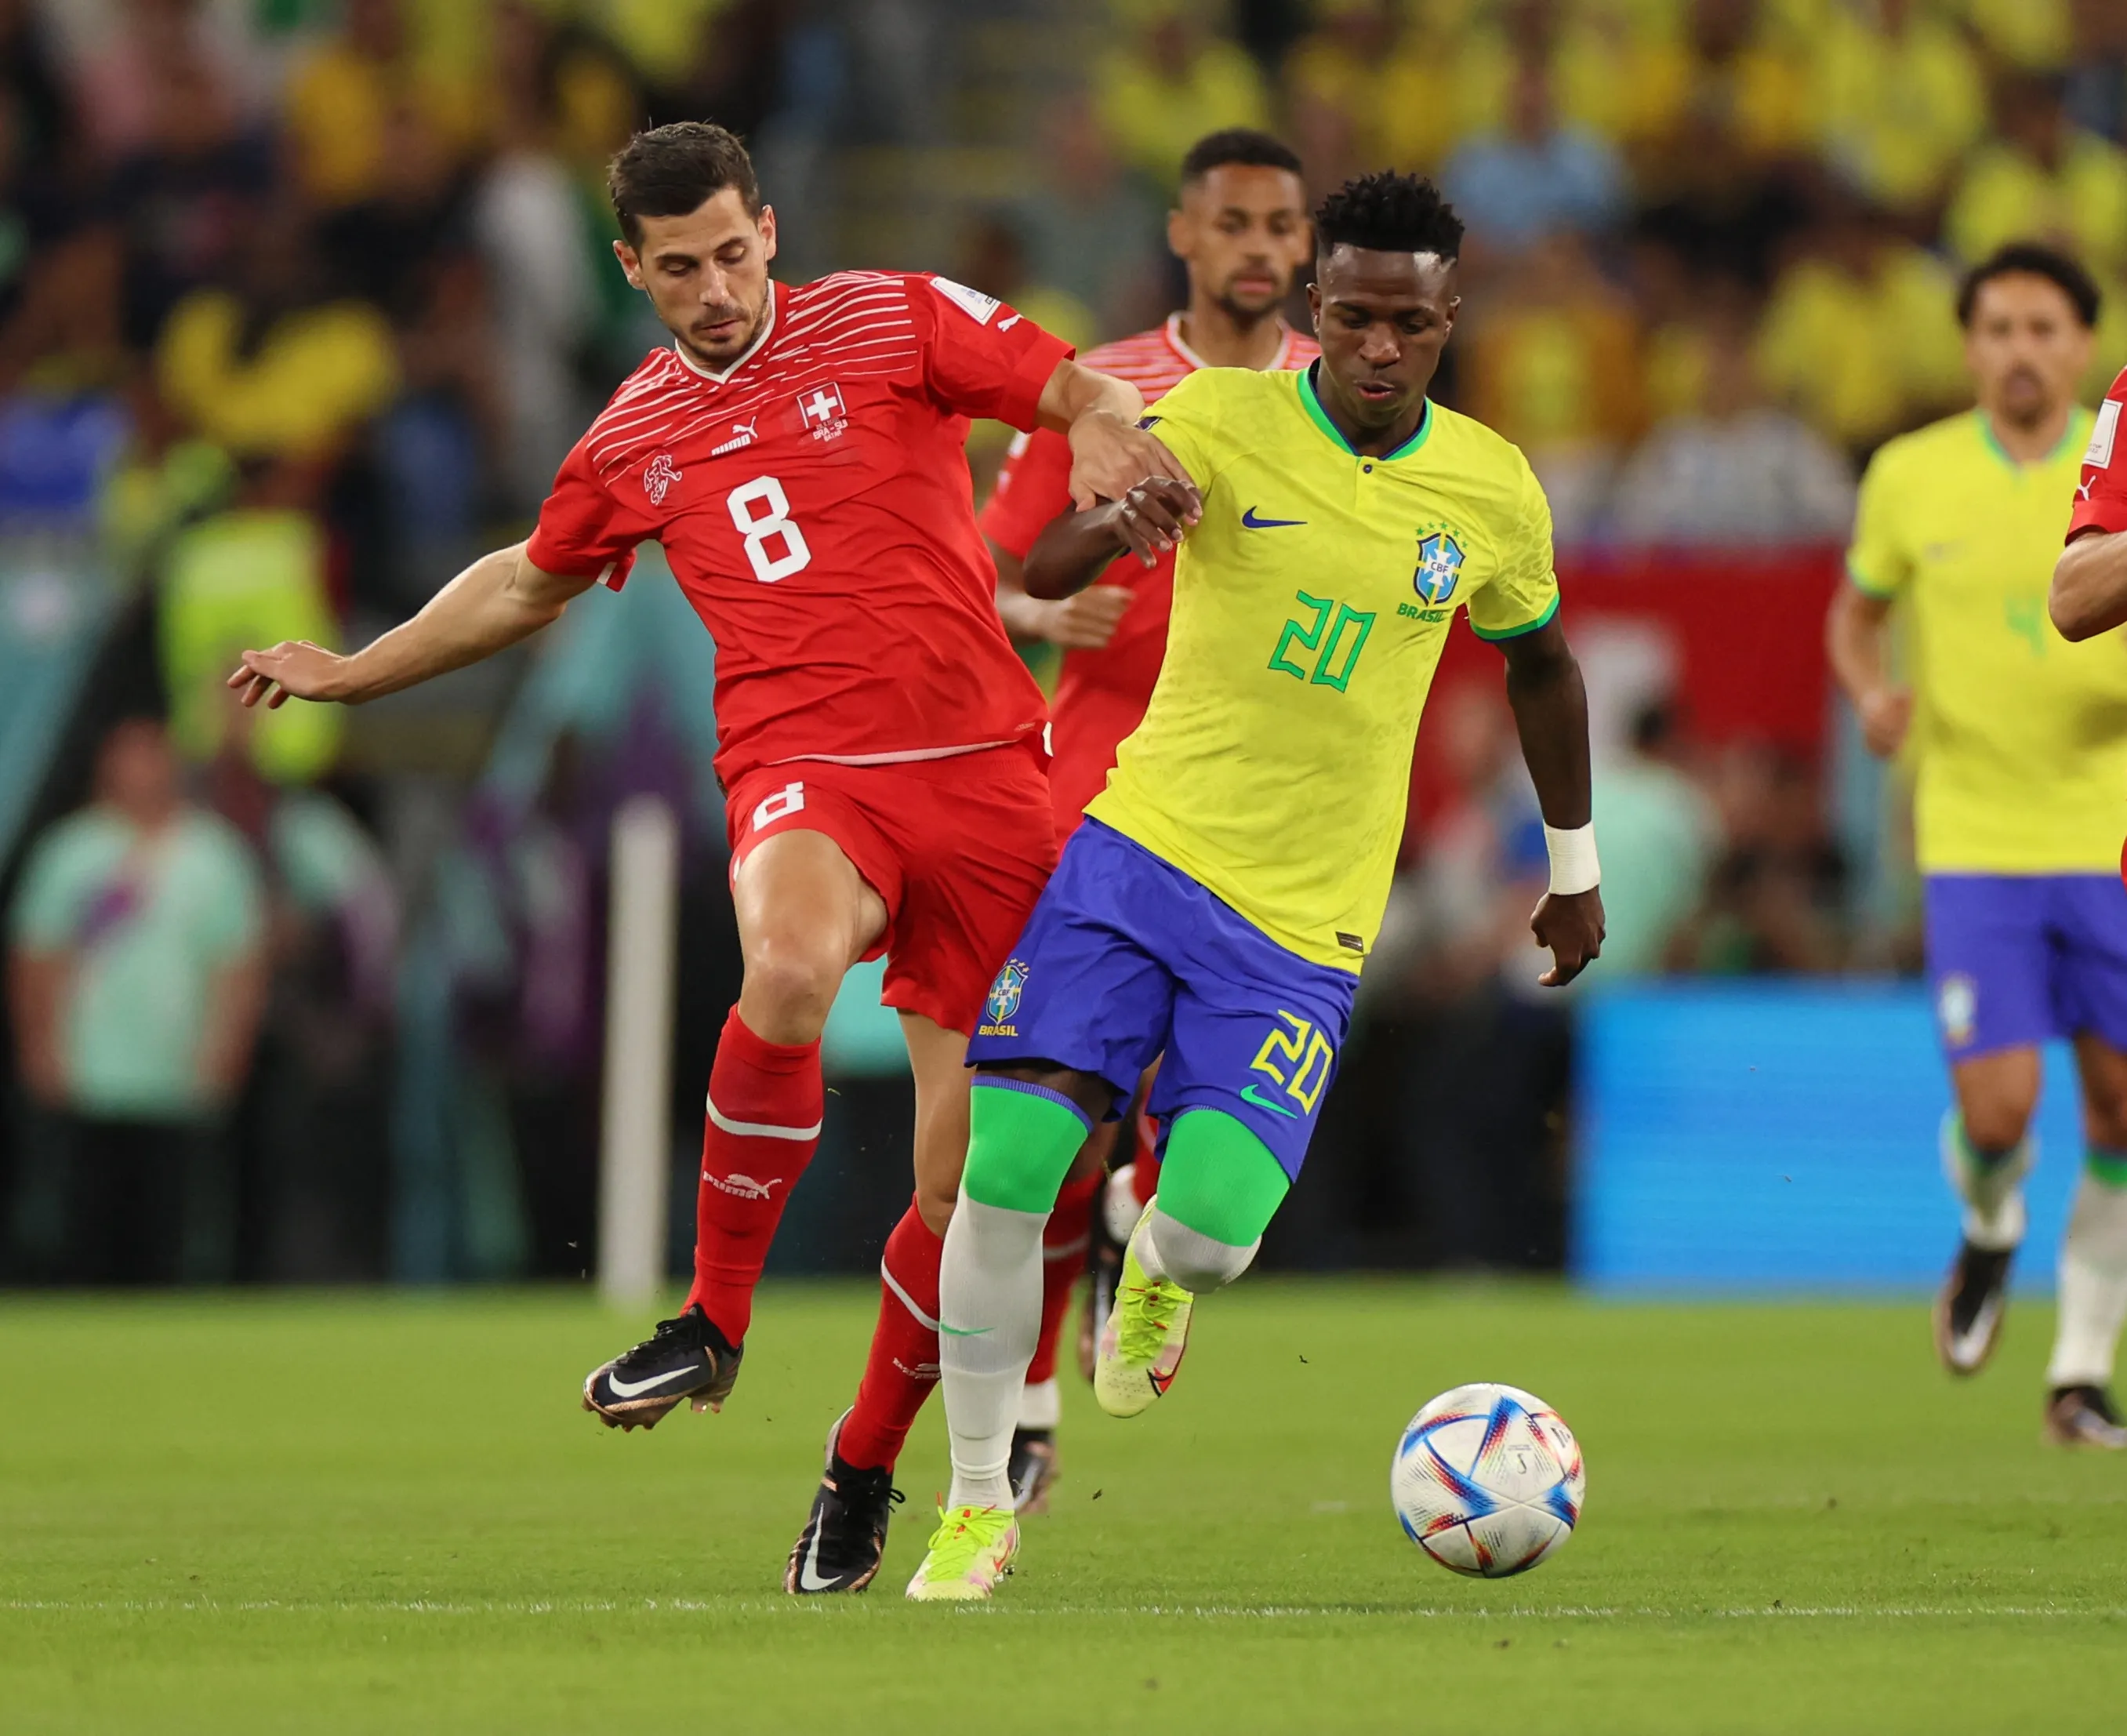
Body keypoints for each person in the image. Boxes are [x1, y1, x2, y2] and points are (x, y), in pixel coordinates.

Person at [227, 122, 1169, 1593]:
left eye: (732, 252)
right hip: (807, 768)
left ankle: (859, 1463)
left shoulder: (889, 316)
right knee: (785, 965)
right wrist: (357, 667)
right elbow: (525, 582)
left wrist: (1104, 415)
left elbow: (1065, 382)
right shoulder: (632, 433)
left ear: (768, 228)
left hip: (990, 781)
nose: (715, 287)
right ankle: (712, 1319)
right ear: (632, 270)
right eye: (680, 267)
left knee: (970, 1193)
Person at [906, 170, 1606, 1601]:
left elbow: (1538, 662)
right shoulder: (1214, 418)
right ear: (1313, 307)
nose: (1372, 347)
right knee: (1002, 1171)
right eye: (1347, 315)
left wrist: (1571, 869)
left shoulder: (1487, 485)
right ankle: (975, 1503)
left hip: (1301, 924)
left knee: (1218, 1237)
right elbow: (1046, 559)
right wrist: (1120, 522)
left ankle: (1152, 1263)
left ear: (1446, 319)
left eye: (1403, 323)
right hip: (1136, 853)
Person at [977, 124, 1316, 1514]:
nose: (1254, 248)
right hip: (1095, 771)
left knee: (1188, 1103)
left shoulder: (1336, 397)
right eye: (1229, 223)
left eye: (1277, 227)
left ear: (1305, 245)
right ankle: (1036, 1399)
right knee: (1049, 1108)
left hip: (1262, 798)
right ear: (1182, 233)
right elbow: (976, 579)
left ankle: (1147, 1230)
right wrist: (1044, 609)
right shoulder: (1101, 392)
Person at [1828, 242, 2127, 1448]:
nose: (2019, 349)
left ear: (2078, 345)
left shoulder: (2108, 452)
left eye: (2042, 328)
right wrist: (1867, 692)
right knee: (2000, 1111)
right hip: (1972, 835)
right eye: (1997, 328)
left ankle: (2079, 1372)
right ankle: (1993, 1225)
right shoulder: (1910, 474)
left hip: (2106, 822)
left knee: (2119, 1109)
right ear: (1968, 346)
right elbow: (1857, 608)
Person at [6, 717, 266, 1283]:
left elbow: (238, 965)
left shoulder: (212, 856)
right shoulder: (70, 853)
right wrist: (40, 1045)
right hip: (92, 1068)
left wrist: (226, 1047)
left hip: (175, 1071)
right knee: (86, 1217)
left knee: (172, 1221)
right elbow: (37, 959)